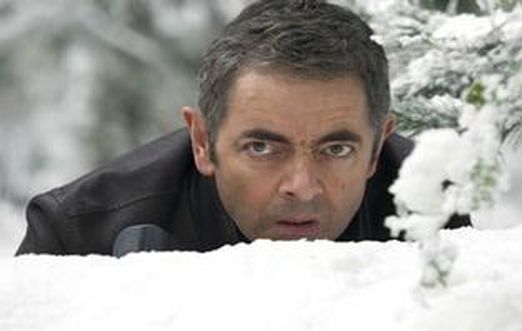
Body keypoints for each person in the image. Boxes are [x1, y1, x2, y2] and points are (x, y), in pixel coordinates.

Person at [16, 0, 469, 257]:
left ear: (376, 148)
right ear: (202, 141)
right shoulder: (79, 233)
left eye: (336, 150)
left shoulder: (432, 207)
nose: (301, 186)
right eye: (261, 147)